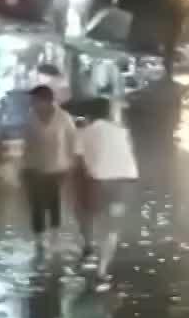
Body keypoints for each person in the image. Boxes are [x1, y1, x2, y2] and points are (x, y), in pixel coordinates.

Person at [74, 98, 139, 282]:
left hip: (99, 180)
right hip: (124, 181)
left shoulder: (85, 132)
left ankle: (88, 246)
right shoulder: (121, 131)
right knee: (112, 226)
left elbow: (77, 160)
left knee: (86, 212)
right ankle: (102, 269)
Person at [23, 85, 78, 252]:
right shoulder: (30, 117)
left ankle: (54, 235)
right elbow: (28, 142)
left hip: (59, 168)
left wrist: (73, 164)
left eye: (35, 100)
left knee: (54, 202)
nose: (32, 103)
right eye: (32, 101)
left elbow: (73, 141)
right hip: (35, 167)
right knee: (37, 204)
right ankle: (39, 239)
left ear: (46, 101)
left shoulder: (64, 118)